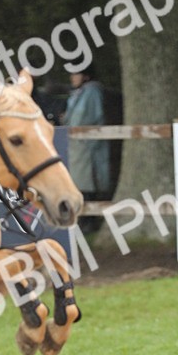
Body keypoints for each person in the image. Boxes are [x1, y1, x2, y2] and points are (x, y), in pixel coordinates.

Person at [62, 62, 110, 231]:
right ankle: (83, 221)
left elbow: (88, 117)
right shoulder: (78, 93)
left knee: (87, 183)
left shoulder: (91, 91)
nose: (72, 77)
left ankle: (89, 222)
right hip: (78, 147)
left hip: (86, 147)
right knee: (80, 183)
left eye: (76, 74)